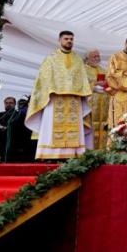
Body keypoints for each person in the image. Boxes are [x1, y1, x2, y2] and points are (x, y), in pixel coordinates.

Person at [25, 31, 93, 160]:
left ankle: (73, 154)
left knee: (74, 129)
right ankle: (50, 154)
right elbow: (43, 80)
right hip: (55, 99)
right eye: (66, 38)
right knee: (51, 126)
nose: (69, 41)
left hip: (74, 100)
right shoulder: (51, 58)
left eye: (71, 39)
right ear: (59, 40)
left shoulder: (78, 59)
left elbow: (83, 80)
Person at [83, 50, 109, 150]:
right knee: (91, 126)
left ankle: (102, 150)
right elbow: (80, 85)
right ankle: (89, 150)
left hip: (104, 104)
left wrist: (106, 84)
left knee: (103, 126)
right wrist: (94, 85)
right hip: (90, 104)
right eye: (94, 56)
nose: (97, 58)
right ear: (87, 58)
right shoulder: (82, 70)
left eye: (98, 56)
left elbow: (109, 83)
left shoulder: (102, 69)